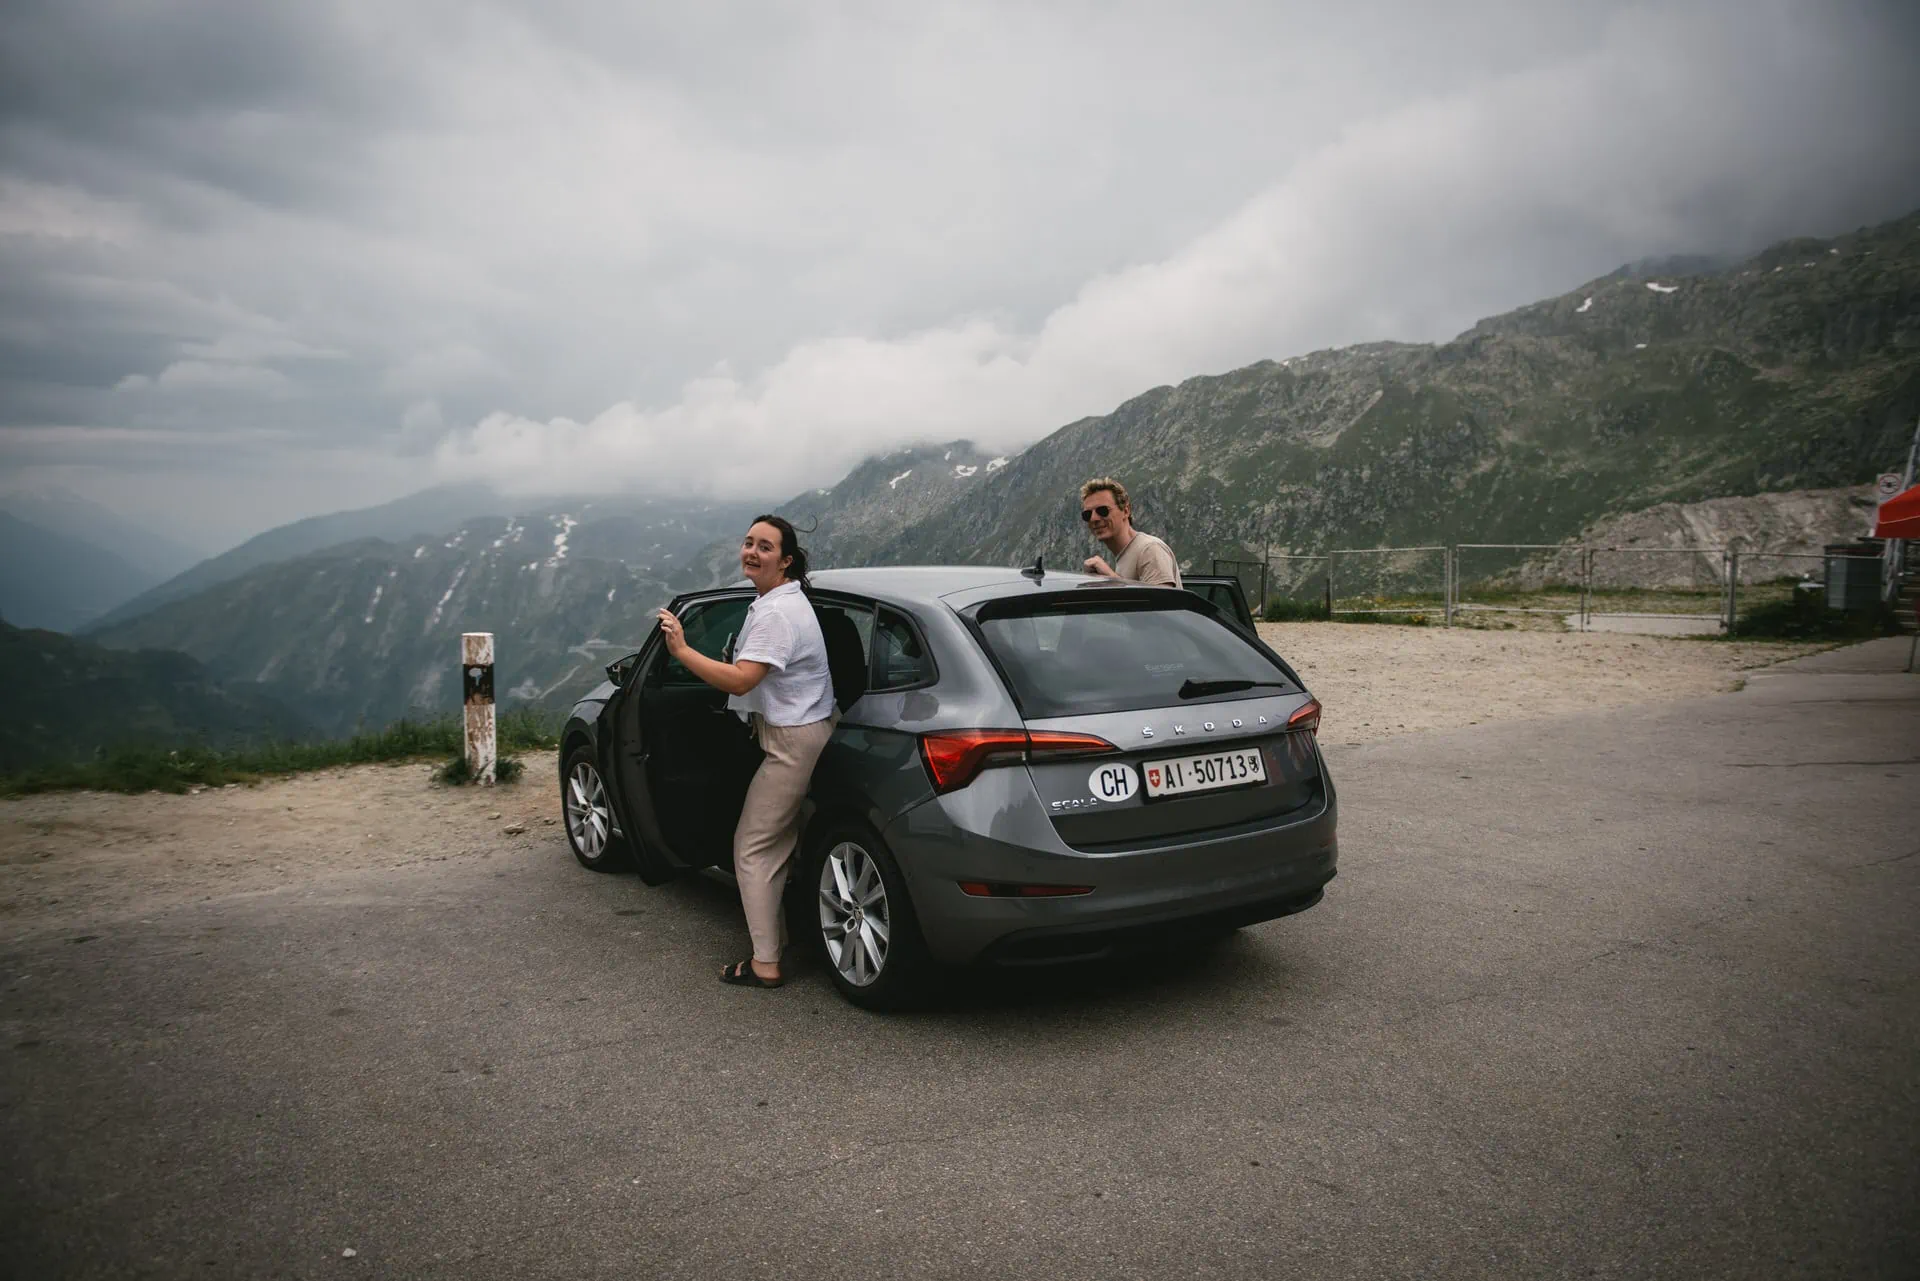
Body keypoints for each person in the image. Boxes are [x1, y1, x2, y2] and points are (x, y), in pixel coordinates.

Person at [656, 514, 836, 990]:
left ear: (786, 560)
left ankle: (766, 963)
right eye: (749, 542)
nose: (752, 552)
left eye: (766, 547)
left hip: (791, 743)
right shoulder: (780, 602)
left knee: (753, 848)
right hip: (803, 732)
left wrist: (681, 651)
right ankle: (785, 936)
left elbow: (741, 679)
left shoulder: (777, 614)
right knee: (781, 843)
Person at [1080, 476, 1182, 588]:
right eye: (1087, 515)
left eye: (1102, 510)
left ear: (1126, 511)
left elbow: (1163, 603)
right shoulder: (1125, 555)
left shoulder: (1150, 550)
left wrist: (1111, 578)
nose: (1094, 518)